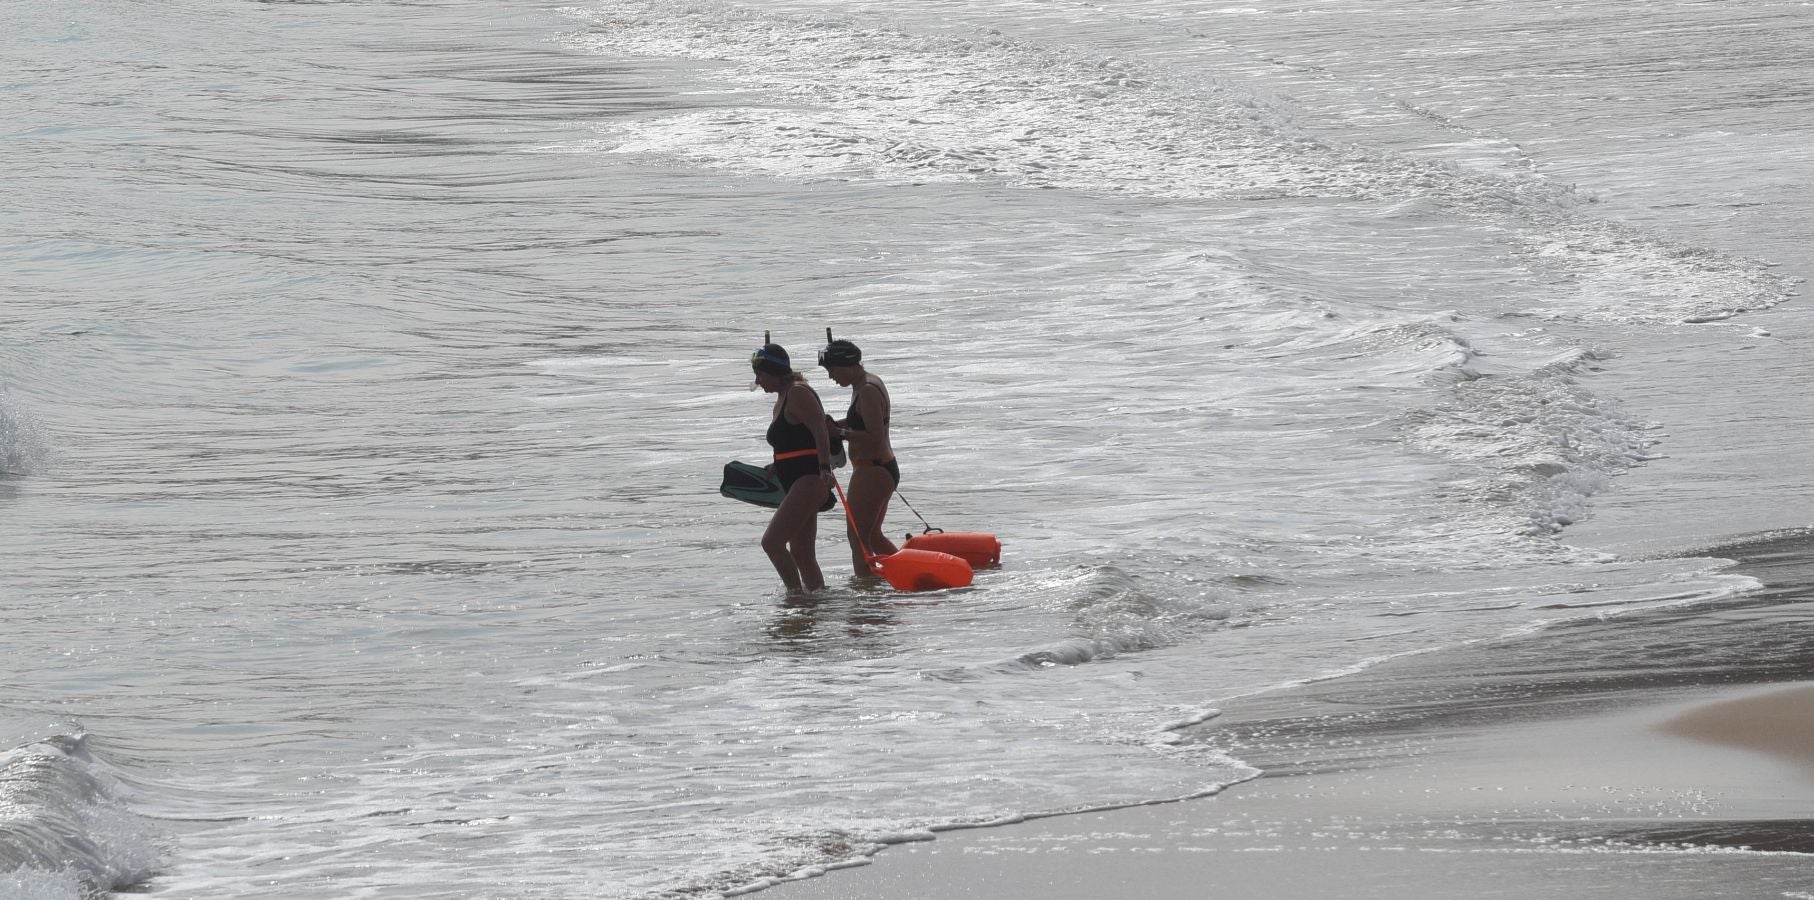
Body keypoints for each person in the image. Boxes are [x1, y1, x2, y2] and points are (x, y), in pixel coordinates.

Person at [750, 342, 835, 594]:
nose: (758, 381)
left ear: (775, 372)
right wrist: (777, 464)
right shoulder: (782, 397)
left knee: (772, 543)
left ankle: (796, 598)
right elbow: (795, 441)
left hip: (809, 480)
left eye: (761, 374)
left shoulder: (799, 393)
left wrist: (825, 468)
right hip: (796, 481)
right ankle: (817, 600)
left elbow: (820, 429)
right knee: (801, 552)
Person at [820, 335, 899, 574]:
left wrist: (839, 432)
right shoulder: (865, 384)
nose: (831, 377)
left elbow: (874, 435)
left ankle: (866, 592)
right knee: (872, 535)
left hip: (873, 470)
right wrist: (835, 426)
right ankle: (906, 571)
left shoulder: (867, 390)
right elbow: (863, 423)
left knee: (857, 539)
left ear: (847, 365)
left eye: (832, 370)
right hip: (879, 468)